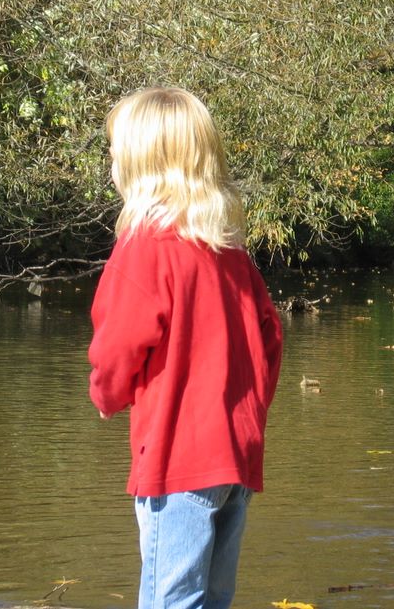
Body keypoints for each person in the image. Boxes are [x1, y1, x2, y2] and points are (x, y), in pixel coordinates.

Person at [87, 86, 283, 608]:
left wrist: (107, 394)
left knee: (171, 600)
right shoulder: (229, 250)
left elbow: (118, 342)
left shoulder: (144, 247)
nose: (111, 163)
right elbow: (270, 340)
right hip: (237, 458)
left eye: (114, 153)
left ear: (139, 163)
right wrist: (248, 414)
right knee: (213, 598)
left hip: (178, 459)